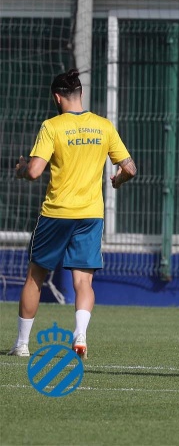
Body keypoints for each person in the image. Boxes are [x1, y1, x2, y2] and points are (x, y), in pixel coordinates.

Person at [8, 69, 137, 360]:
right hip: (91, 215)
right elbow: (130, 168)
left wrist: (20, 170)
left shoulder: (52, 126)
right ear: (81, 94)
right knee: (84, 282)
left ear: (57, 97)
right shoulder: (103, 126)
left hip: (56, 213)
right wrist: (118, 181)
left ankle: (22, 344)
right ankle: (80, 335)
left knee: (35, 277)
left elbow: (35, 171)